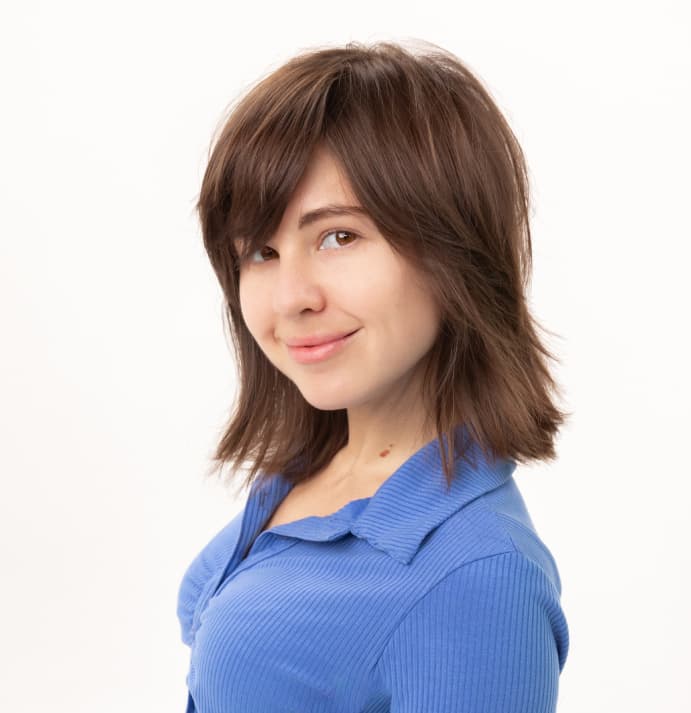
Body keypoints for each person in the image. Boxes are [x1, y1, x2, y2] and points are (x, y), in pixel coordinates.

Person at [177, 39, 571, 713]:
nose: (290, 295)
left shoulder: (478, 578)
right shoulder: (316, 469)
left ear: (453, 246)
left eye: (338, 237)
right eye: (262, 250)